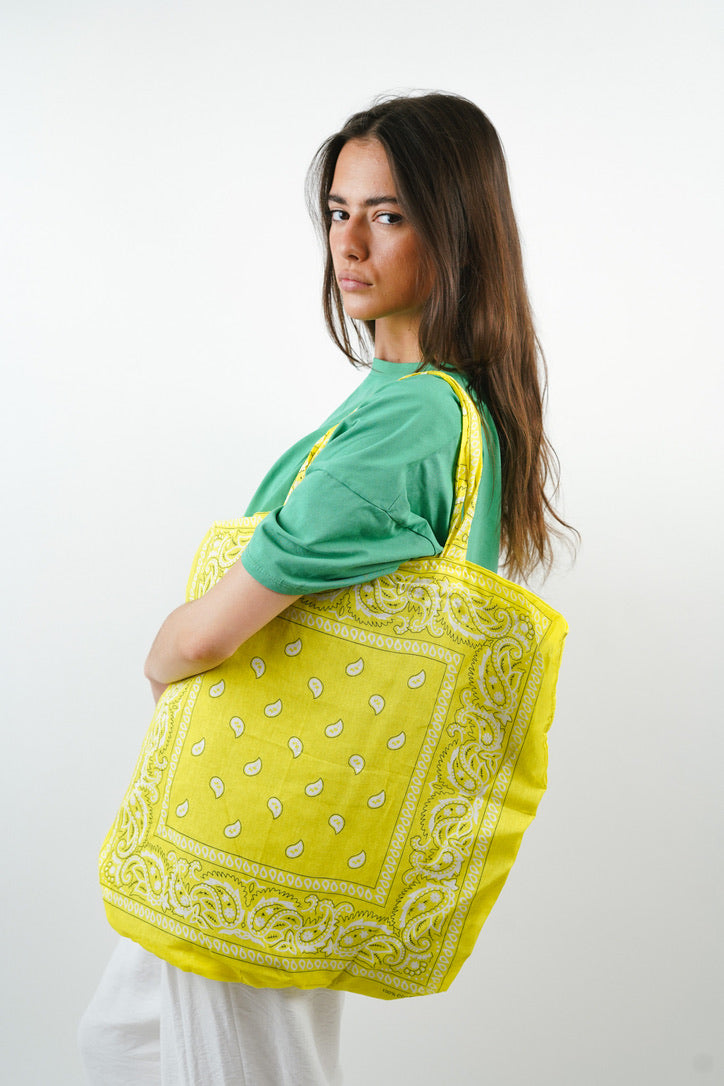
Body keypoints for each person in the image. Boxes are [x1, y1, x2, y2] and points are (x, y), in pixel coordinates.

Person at [79, 92, 571, 1085]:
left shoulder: (410, 421)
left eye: (387, 215)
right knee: (122, 1043)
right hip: (273, 815)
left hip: (253, 823)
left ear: (456, 232)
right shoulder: (428, 405)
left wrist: (163, 651)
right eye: (339, 212)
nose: (349, 243)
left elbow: (212, 635)